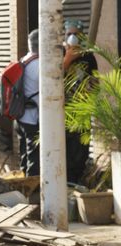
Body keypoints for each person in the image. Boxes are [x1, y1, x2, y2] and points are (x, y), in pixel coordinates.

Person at [63, 21, 97, 184]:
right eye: (69, 34)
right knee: (65, 152)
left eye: (76, 34)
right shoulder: (58, 55)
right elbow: (51, 81)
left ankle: (75, 183)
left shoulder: (88, 57)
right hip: (63, 113)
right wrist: (67, 60)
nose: (72, 38)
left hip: (81, 113)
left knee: (80, 153)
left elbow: (95, 82)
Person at [17, 29, 40, 177]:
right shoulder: (39, 65)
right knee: (34, 157)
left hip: (20, 116)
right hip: (33, 118)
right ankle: (32, 191)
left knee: (24, 154)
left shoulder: (23, 60)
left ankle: (23, 185)